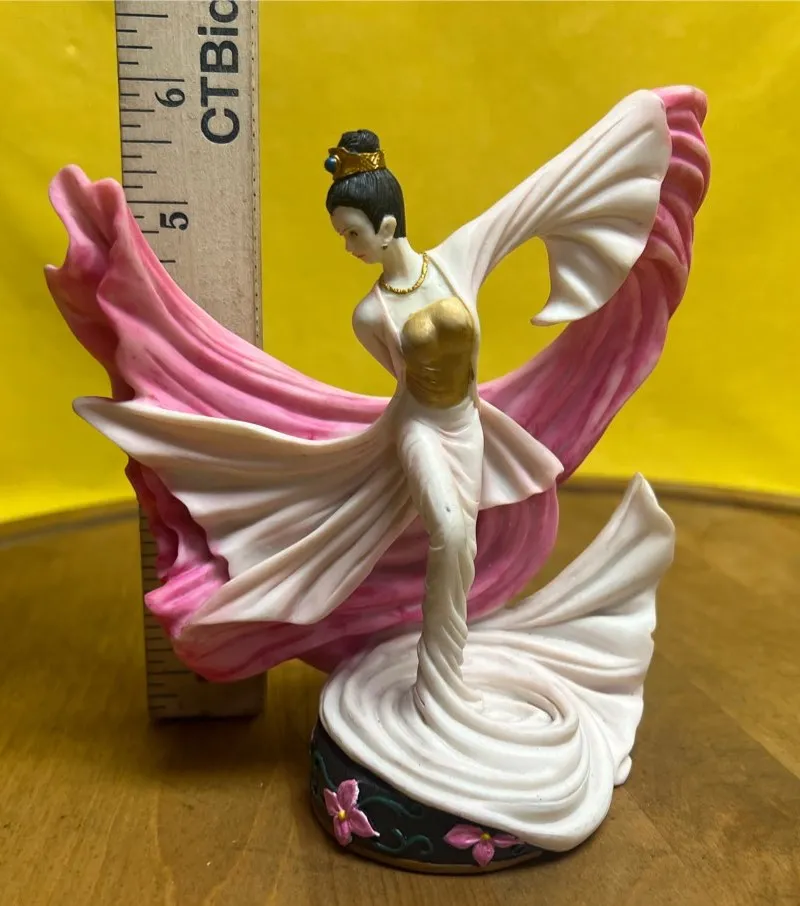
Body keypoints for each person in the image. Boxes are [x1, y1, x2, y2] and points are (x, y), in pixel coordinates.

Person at [44, 86, 709, 691]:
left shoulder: (459, 261)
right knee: (451, 532)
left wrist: (642, 135)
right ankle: (438, 682)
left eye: (353, 234)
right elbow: (408, 392)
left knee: (478, 536)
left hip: (473, 425)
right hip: (419, 431)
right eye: (342, 236)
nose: (348, 248)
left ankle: (447, 673)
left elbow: (539, 197)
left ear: (387, 226)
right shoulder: (371, 316)